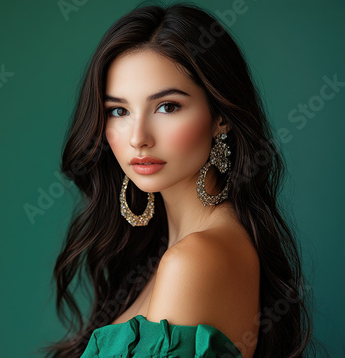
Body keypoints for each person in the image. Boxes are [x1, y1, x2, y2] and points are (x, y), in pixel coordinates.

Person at [39, 1, 323, 357]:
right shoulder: (166, 256)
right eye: (119, 111)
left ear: (220, 116)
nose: (138, 137)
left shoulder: (195, 260)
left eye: (167, 106)